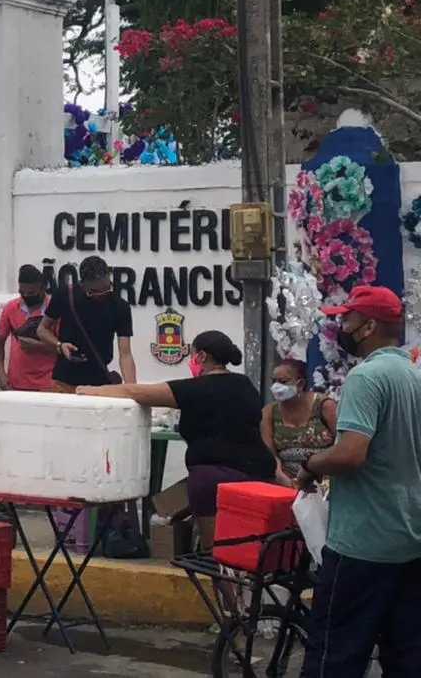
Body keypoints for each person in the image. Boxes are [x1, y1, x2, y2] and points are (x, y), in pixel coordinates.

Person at [297, 286, 421, 678]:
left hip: (362, 546)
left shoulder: (366, 378)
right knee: (405, 658)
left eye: (347, 319)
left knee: (334, 657)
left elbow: (351, 453)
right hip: (409, 539)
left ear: (368, 326)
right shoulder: (414, 375)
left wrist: (313, 463)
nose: (341, 327)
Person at [79, 330, 277, 548]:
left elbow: (139, 393)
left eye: (192, 355)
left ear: (201, 356)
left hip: (213, 481)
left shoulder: (194, 389)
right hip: (258, 476)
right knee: (252, 549)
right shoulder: (245, 385)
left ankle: (223, 580)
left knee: (219, 554)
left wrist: (92, 390)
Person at [38, 255, 136, 390]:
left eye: (106, 289)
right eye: (94, 292)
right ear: (82, 284)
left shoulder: (120, 306)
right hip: (64, 381)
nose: (101, 295)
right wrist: (60, 345)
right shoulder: (64, 295)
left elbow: (125, 354)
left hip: (99, 383)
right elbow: (42, 329)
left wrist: (132, 389)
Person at [260, 359, 336, 484]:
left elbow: (341, 444)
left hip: (325, 480)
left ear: (300, 384)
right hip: (287, 482)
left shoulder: (324, 406)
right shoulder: (269, 412)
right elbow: (270, 454)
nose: (276, 386)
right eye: (274, 381)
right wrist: (281, 476)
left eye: (283, 382)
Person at [0, 265, 55, 392]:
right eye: (22, 292)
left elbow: (63, 346)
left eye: (31, 293)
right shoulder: (10, 308)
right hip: (16, 382)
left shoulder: (54, 309)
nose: (26, 296)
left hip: (48, 382)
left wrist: (38, 346)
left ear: (41, 287)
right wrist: (1, 374)